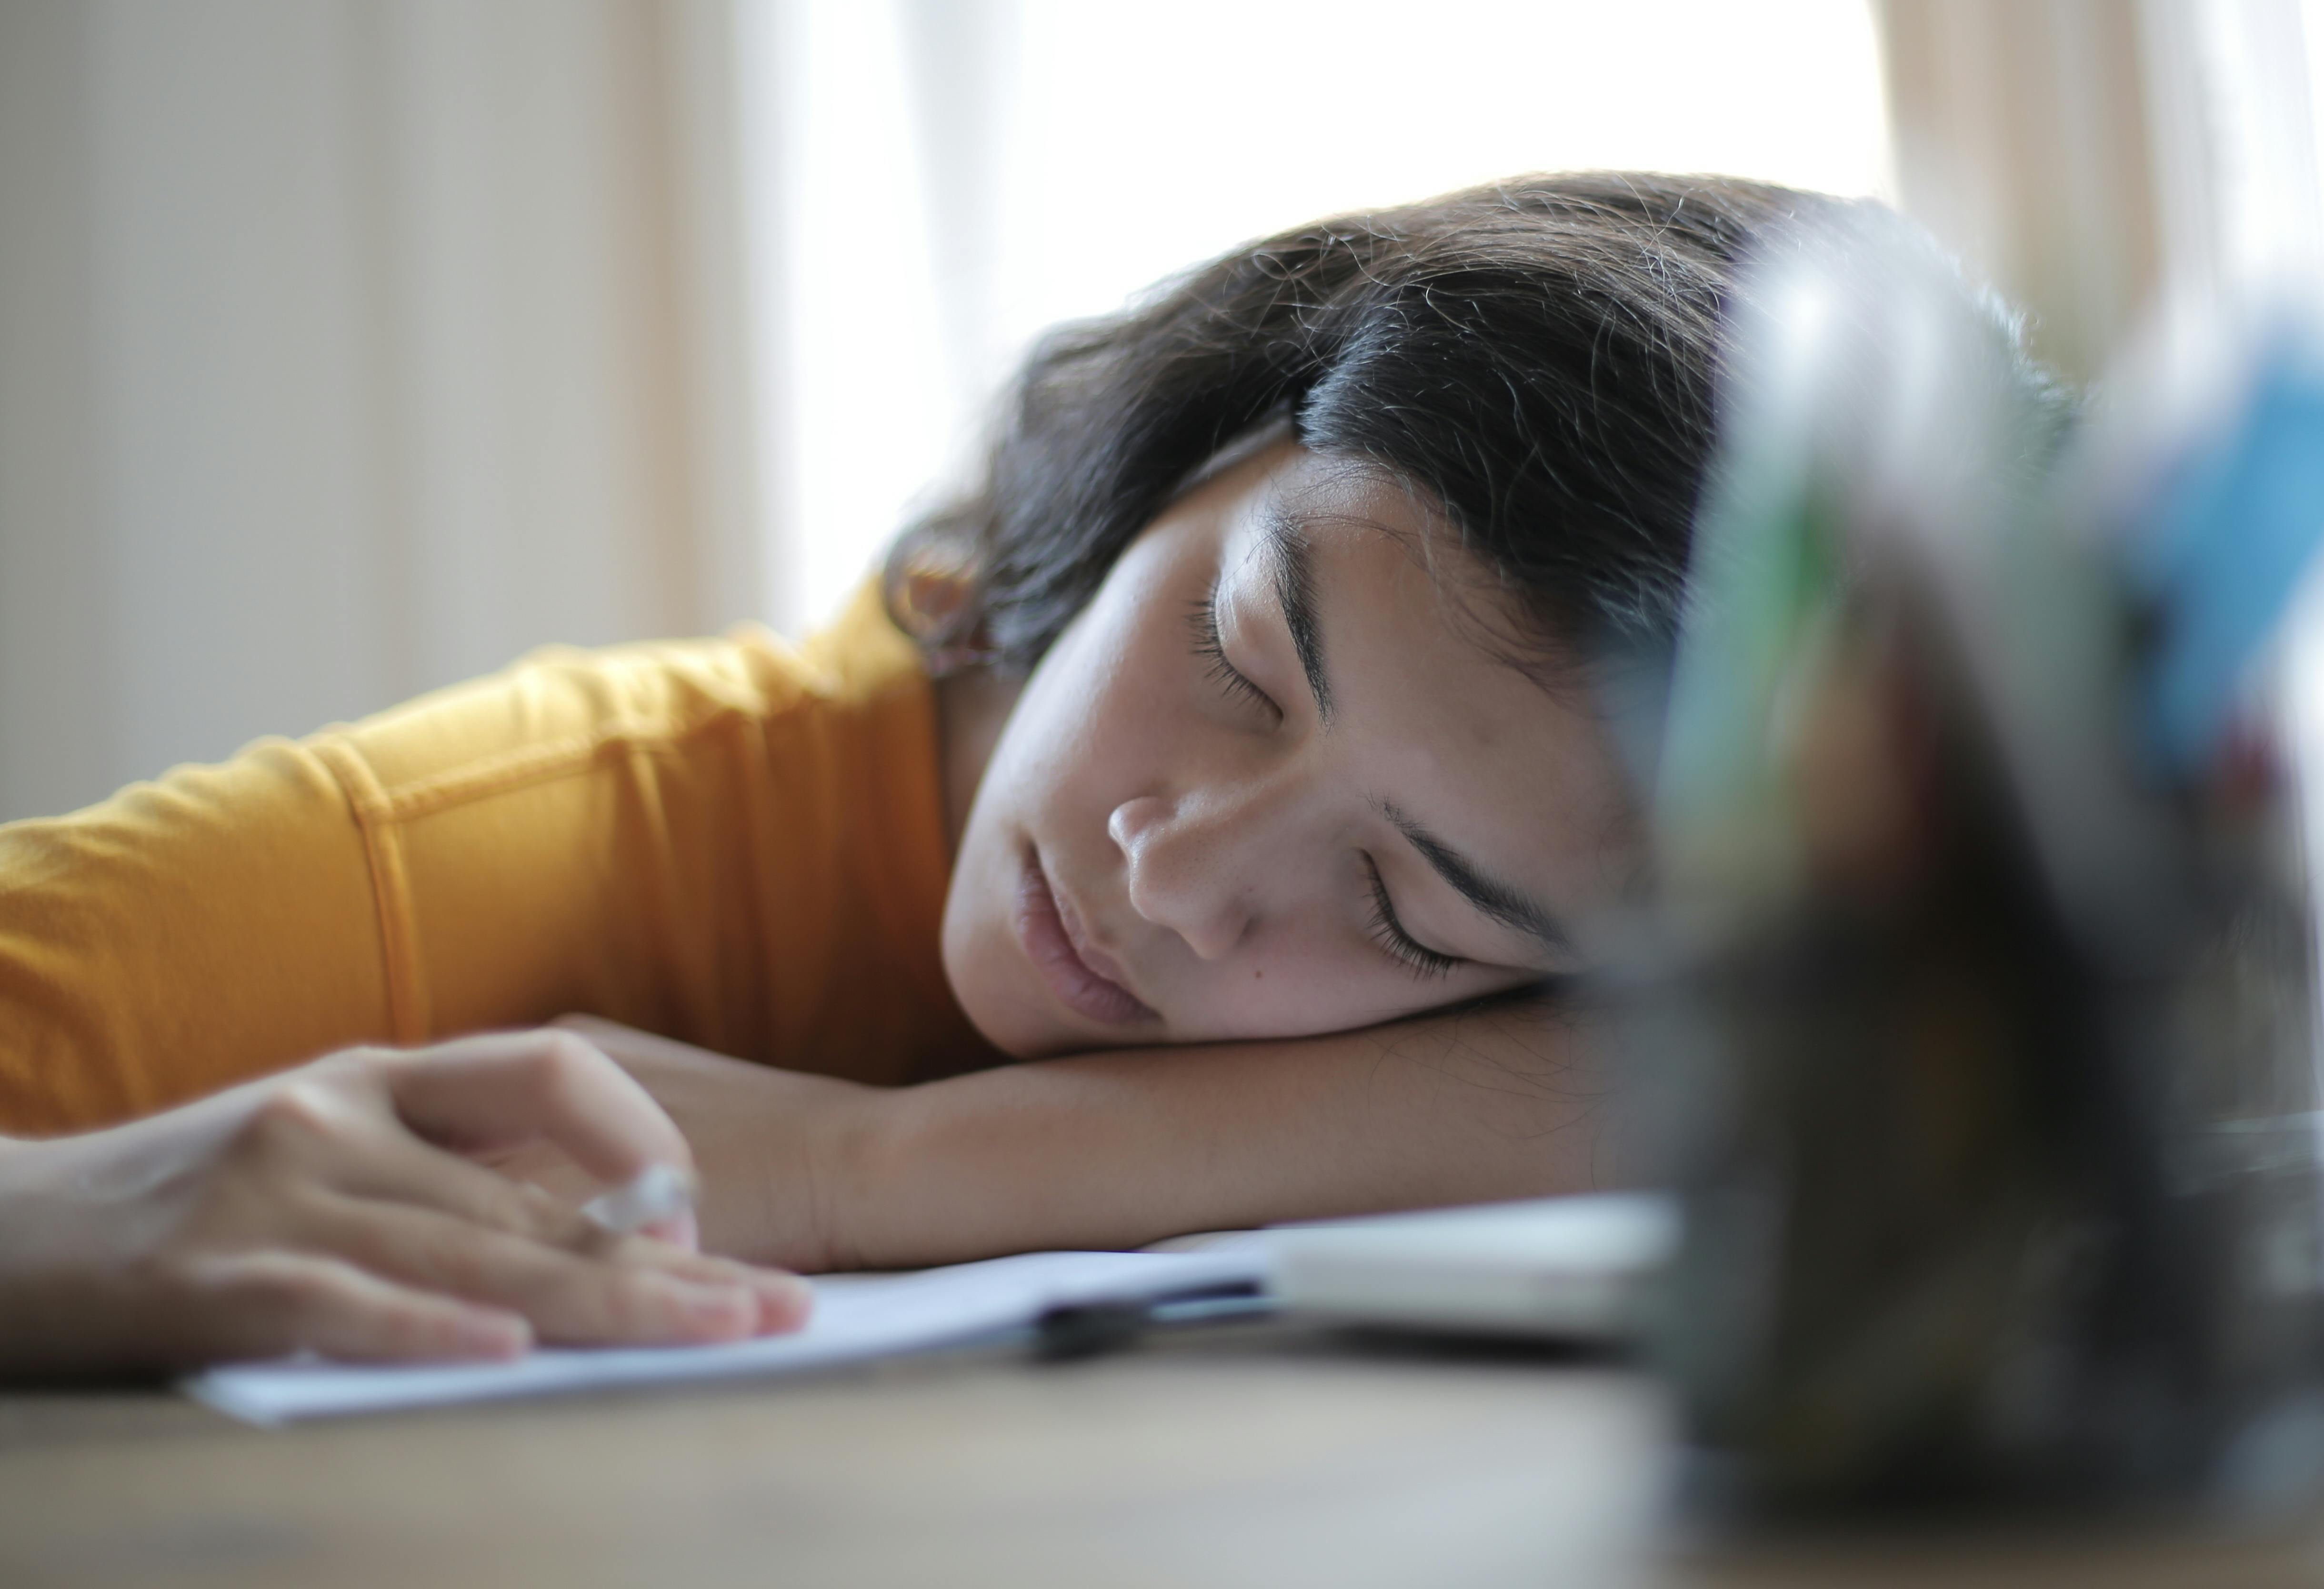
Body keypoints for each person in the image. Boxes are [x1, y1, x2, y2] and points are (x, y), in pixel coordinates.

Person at [0, 174, 1983, 1379]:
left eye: (1406, 905)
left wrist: (879, 1174)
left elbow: (1899, 1054)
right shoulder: (457, 866)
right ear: (1201, 452)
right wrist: (68, 1225)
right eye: (1237, 656)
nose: (1182, 873)